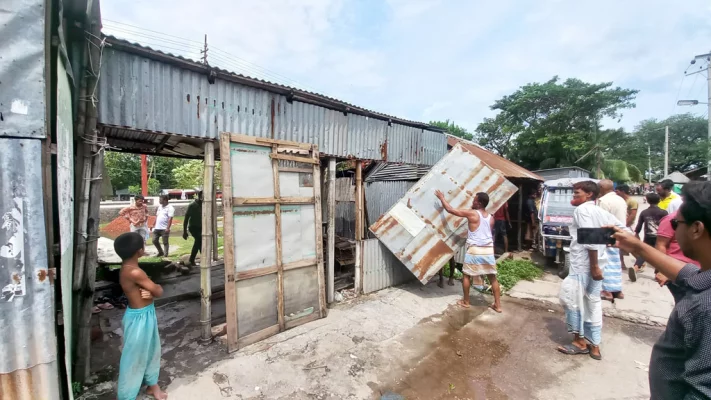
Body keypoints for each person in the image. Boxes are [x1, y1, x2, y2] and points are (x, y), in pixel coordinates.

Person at [610, 181, 711, 399]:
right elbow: (688, 274)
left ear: (696, 229)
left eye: (676, 224)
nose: (672, 228)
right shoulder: (704, 280)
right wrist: (637, 247)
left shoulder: (705, 307)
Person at [557, 181, 619, 361]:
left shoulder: (583, 210)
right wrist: (601, 256)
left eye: (577, 193)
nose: (573, 197)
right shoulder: (600, 212)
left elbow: (589, 238)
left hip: (584, 266)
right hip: (596, 264)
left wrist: (593, 266)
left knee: (573, 301)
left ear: (589, 194)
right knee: (592, 304)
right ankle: (594, 345)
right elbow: (617, 231)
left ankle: (580, 342)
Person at [114, 232, 167, 400]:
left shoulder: (127, 268)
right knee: (133, 357)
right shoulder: (136, 272)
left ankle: (153, 386)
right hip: (139, 319)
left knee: (152, 351)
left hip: (145, 314)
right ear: (139, 251)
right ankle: (126, 395)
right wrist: (154, 289)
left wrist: (149, 294)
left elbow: (147, 293)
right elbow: (158, 291)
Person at [435, 190, 501, 312]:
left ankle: (466, 301)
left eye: (474, 200)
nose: (472, 202)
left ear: (479, 203)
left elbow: (451, 210)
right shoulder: (491, 218)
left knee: (466, 275)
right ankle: (497, 305)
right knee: (493, 278)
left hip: (475, 250)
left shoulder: (472, 214)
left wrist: (442, 197)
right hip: (488, 250)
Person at [655, 208, 701, 303]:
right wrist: (663, 270)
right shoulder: (672, 220)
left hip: (701, 273)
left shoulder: (702, 219)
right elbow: (661, 244)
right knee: (685, 305)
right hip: (677, 272)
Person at [597, 180, 627, 301]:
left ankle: (607, 291)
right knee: (616, 263)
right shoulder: (620, 199)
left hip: (608, 234)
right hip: (621, 233)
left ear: (602, 187)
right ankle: (617, 290)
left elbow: (602, 219)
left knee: (605, 263)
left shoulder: (603, 201)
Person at [629, 193, 667, 282]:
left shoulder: (644, 212)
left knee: (644, 253)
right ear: (659, 200)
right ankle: (658, 273)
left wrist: (637, 233)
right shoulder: (663, 212)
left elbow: (639, 225)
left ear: (647, 200)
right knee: (659, 254)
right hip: (660, 236)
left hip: (648, 236)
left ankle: (636, 267)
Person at [183, 191, 203, 266]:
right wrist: (185, 231)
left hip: (201, 227)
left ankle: (194, 259)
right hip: (193, 227)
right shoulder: (192, 205)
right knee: (199, 240)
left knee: (200, 242)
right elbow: (186, 218)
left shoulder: (204, 204)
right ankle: (193, 259)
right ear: (199, 196)